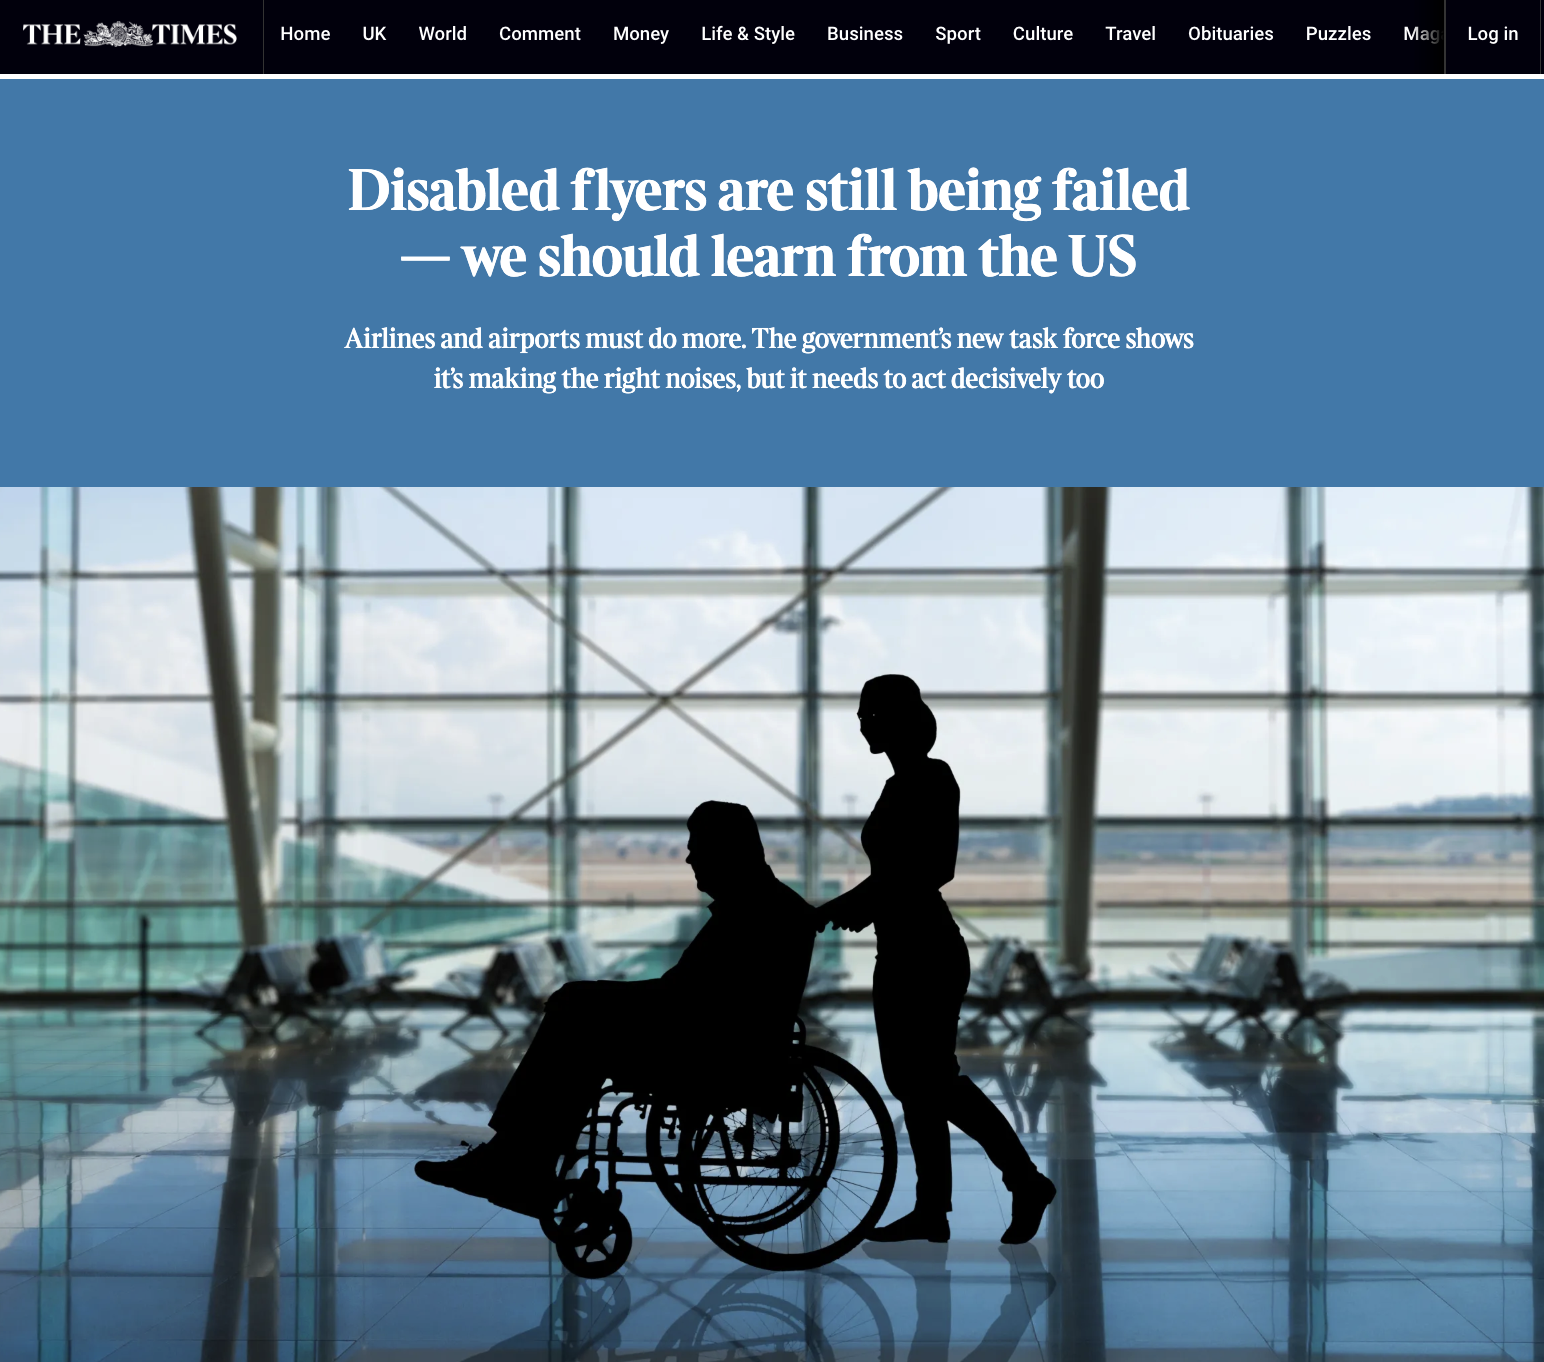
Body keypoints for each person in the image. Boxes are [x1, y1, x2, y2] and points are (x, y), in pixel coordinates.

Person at [416, 800, 816, 1215]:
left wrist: (586, 994)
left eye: (698, 845)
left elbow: (681, 998)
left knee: (574, 1027)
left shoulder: (749, 913)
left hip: (710, 1056)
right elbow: (691, 997)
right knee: (580, 1025)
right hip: (722, 1045)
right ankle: (516, 1161)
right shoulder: (767, 906)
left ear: (725, 849)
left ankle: (514, 1161)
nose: (689, 856)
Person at [821, 674, 1056, 1244]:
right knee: (915, 1083)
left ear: (896, 718)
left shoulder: (931, 778)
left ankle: (1024, 1180)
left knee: (935, 1081)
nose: (860, 724)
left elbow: (931, 868)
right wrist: (862, 903)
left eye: (868, 714)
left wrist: (858, 902)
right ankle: (933, 1208)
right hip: (902, 948)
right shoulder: (898, 782)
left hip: (925, 951)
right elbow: (894, 874)